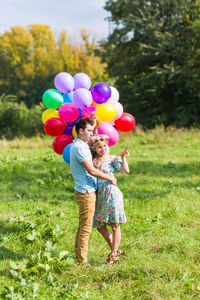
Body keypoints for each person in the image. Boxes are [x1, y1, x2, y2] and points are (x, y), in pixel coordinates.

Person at [70, 118, 117, 264]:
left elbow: (95, 138)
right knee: (86, 228)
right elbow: (91, 170)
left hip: (86, 189)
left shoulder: (81, 144)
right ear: (81, 131)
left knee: (83, 225)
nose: (92, 134)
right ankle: (81, 262)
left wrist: (94, 125)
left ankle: (78, 257)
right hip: (86, 192)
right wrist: (109, 177)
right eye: (89, 131)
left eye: (92, 131)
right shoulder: (79, 148)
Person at [89, 134, 130, 265]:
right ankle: (115, 249)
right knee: (99, 225)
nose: (103, 149)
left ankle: (113, 254)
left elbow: (126, 170)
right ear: (95, 149)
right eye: (99, 147)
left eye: (104, 146)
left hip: (112, 193)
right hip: (100, 195)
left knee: (114, 224)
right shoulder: (93, 161)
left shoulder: (112, 159)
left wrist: (122, 157)